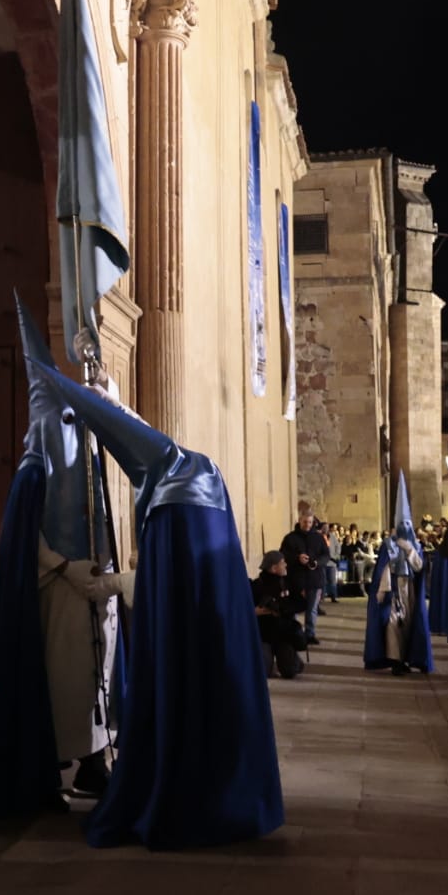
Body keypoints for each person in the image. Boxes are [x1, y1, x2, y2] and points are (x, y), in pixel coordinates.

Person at [29, 360, 284, 850]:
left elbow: (162, 583)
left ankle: (160, 788)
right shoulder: (200, 472)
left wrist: (109, 585)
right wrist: (111, 396)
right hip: (218, 641)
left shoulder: (170, 500)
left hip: (149, 628)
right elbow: (146, 442)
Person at [0, 294, 130, 818]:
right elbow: (24, 542)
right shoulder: (34, 472)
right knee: (63, 682)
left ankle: (96, 761)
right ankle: (50, 769)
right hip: (57, 590)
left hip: (95, 587)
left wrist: (111, 400)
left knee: (98, 675)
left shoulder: (89, 459)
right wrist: (64, 568)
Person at [362, 472, 434, 675]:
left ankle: (408, 658)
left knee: (409, 624)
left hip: (409, 588)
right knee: (393, 625)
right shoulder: (387, 545)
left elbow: (419, 567)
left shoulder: (415, 546)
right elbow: (384, 568)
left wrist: (410, 550)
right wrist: (382, 590)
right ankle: (395, 661)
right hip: (393, 590)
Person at [253, 550, 307, 679]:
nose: (286, 565)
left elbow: (302, 603)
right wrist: (256, 611)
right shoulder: (257, 585)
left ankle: (294, 661)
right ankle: (267, 659)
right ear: (273, 568)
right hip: (264, 635)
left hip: (283, 634)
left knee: (290, 672)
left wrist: (282, 609)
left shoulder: (287, 583)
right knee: (263, 673)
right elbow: (246, 608)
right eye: (282, 563)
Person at [282, 510, 329, 646]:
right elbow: (283, 554)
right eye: (304, 522)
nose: (307, 525)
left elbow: (326, 555)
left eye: (310, 522)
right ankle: (294, 633)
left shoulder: (318, 538)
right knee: (294, 608)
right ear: (300, 521)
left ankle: (310, 634)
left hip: (314, 579)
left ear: (313, 522)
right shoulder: (290, 538)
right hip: (296, 579)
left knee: (312, 608)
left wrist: (316, 563)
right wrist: (297, 558)